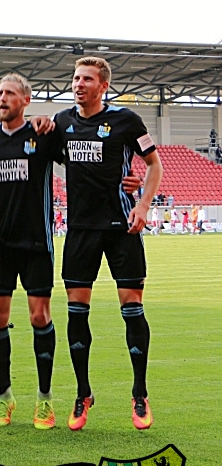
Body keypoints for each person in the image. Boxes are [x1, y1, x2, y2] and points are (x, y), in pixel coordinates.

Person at [51, 57, 162, 430]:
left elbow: (154, 165)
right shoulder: (62, 123)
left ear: (103, 86)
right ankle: (83, 393)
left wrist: (143, 203)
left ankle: (140, 393)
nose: (78, 84)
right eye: (75, 78)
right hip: (81, 230)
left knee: (132, 309)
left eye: (86, 79)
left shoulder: (127, 121)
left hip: (121, 230)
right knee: (76, 312)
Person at [0, 75, 63, 429]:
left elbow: (81, 162)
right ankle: (5, 397)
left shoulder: (43, 135)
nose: (1, 98)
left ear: (25, 99)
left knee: (39, 316)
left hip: (36, 242)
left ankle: (45, 400)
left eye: (8, 93)